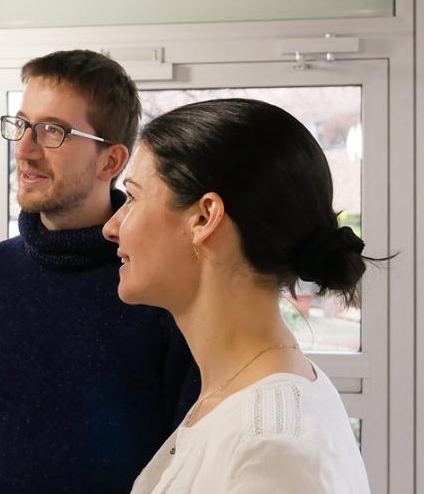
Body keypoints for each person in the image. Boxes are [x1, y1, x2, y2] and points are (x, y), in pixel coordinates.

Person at [0, 49, 199, 493]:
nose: (24, 149)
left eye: (52, 131)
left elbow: (184, 459)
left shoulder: (157, 284)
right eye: (21, 125)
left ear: (110, 162)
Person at [104, 98, 372, 493]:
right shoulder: (236, 396)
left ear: (203, 217)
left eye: (132, 197)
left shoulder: (271, 447)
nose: (112, 227)